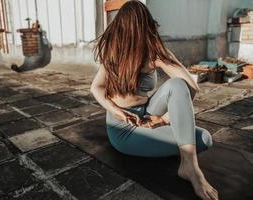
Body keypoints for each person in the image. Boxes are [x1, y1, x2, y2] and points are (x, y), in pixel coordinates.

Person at [90, 1, 218, 200]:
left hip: (149, 113)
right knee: (202, 140)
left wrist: (165, 119)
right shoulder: (113, 52)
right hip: (124, 129)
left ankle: (189, 166)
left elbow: (191, 86)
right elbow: (96, 87)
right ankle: (186, 162)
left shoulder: (154, 53)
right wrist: (114, 109)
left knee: (177, 87)